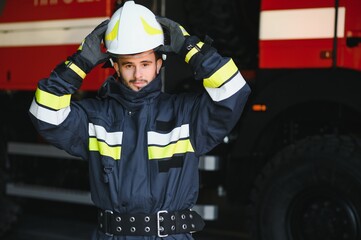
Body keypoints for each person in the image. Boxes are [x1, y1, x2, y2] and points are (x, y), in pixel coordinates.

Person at [29, 1, 251, 239]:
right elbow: (45, 113)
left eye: (145, 64)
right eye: (128, 65)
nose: (138, 75)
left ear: (159, 63)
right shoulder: (95, 117)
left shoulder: (185, 113)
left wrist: (190, 48)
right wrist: (80, 62)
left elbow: (233, 91)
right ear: (115, 66)